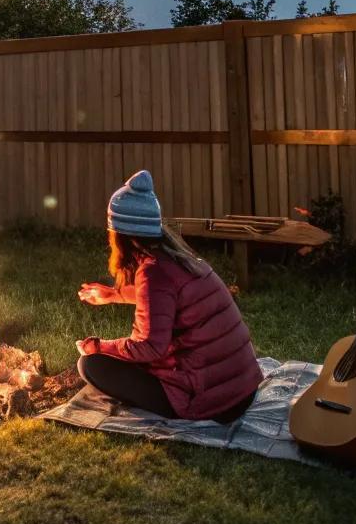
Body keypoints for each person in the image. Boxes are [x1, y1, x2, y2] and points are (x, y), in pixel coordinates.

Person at [76, 169, 262, 423]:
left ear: (120, 236)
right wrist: (115, 295)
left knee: (91, 365)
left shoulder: (153, 272)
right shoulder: (182, 260)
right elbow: (168, 299)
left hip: (211, 402)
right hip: (243, 390)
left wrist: (100, 347)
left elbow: (149, 347)